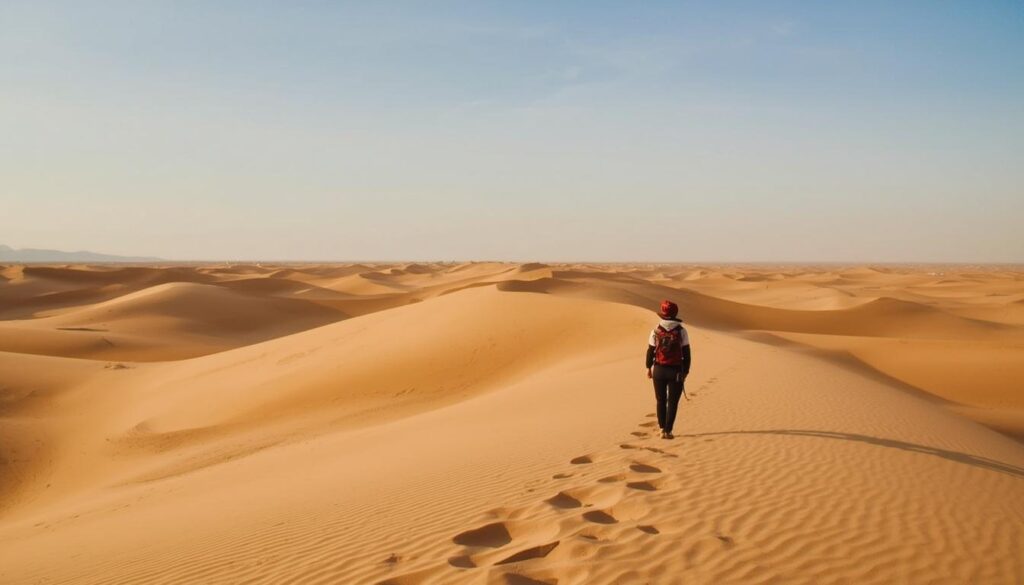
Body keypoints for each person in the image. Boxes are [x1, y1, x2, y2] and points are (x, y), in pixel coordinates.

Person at [645, 299, 692, 439]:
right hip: (676, 371)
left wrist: (648, 368)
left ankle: (661, 428)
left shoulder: (655, 330)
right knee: (672, 402)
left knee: (660, 400)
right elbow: (687, 353)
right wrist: (686, 372)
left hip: (659, 369)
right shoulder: (682, 331)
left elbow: (650, 351)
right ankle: (668, 430)